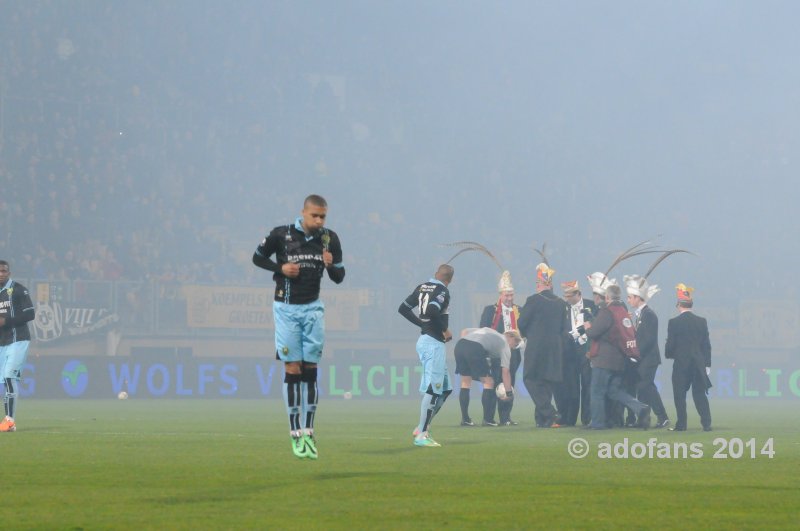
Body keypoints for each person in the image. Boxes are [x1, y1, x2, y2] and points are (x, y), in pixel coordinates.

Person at [252, 194, 345, 460]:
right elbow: (257, 258)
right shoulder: (281, 235)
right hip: (286, 309)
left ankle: (309, 431)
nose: (319, 220)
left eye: (323, 216)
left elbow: (339, 277)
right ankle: (294, 434)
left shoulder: (329, 239)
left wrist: (329, 265)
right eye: (314, 215)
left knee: (311, 368)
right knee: (292, 367)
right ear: (303, 213)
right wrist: (280, 268)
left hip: (313, 309)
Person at [398, 264, 454, 448]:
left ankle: (422, 426)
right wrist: (445, 330)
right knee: (433, 389)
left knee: (445, 389)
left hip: (427, 341)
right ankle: (422, 435)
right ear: (450, 279)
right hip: (433, 344)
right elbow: (431, 310)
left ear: (436, 274)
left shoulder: (422, 287)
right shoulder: (443, 291)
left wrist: (421, 325)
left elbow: (403, 308)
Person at [583, 284, 651, 430]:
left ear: (607, 297)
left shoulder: (607, 312)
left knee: (596, 391)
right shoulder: (623, 311)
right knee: (613, 391)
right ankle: (640, 407)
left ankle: (598, 423)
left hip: (604, 359)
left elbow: (594, 332)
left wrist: (588, 327)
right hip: (620, 359)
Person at [518, 263, 569, 428]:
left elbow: (522, 322)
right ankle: (543, 420)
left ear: (539, 285)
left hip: (536, 346)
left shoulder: (533, 300)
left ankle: (549, 413)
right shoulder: (561, 303)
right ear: (551, 284)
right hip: (555, 348)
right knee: (546, 381)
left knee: (530, 379)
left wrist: (527, 335)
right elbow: (564, 327)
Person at [664, 283, 712, 432]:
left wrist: (670, 354)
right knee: (699, 395)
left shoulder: (674, 322)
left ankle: (682, 424)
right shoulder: (701, 321)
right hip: (698, 363)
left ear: (679, 304)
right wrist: (707, 364)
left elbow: (670, 346)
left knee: (679, 395)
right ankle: (706, 423)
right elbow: (706, 345)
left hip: (681, 364)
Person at [624, 274, 670, 428]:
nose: (628, 300)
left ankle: (662, 416)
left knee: (646, 386)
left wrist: (635, 354)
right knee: (643, 389)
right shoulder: (641, 315)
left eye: (630, 297)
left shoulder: (649, 315)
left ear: (638, 298)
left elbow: (648, 340)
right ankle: (643, 419)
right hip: (643, 358)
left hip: (648, 359)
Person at [454, 327, 523, 427]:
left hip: (460, 346)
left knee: (465, 381)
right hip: (475, 347)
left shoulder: (490, 331)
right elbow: (506, 372)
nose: (513, 348)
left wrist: (466, 348)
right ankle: (488, 420)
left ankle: (465, 419)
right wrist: (508, 393)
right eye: (515, 344)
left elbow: (464, 331)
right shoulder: (505, 345)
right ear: (511, 337)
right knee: (489, 382)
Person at [478, 270, 522, 426]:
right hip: (494, 354)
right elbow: (483, 331)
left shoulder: (518, 310)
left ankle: (505, 417)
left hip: (513, 355)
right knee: (492, 384)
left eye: (511, 295)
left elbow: (523, 331)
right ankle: (488, 418)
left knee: (509, 385)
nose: (510, 298)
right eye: (506, 295)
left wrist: (520, 342)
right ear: (500, 295)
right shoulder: (490, 310)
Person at [0, 260, 36, 433]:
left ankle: (10, 421)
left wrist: (6, 321)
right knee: (4, 382)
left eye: (4, 271)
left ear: (9, 273)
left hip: (18, 340)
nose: (1, 274)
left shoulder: (19, 290)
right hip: (1, 343)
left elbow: (30, 314)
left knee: (9, 378)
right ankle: (7, 420)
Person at [560, 280, 597, 426]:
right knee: (572, 386)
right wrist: (577, 332)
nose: (567, 299)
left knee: (587, 385)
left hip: (587, 351)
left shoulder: (591, 306)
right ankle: (570, 419)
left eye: (570, 296)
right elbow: (562, 330)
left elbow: (595, 324)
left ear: (578, 294)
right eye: (566, 296)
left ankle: (586, 419)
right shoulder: (563, 308)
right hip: (569, 352)